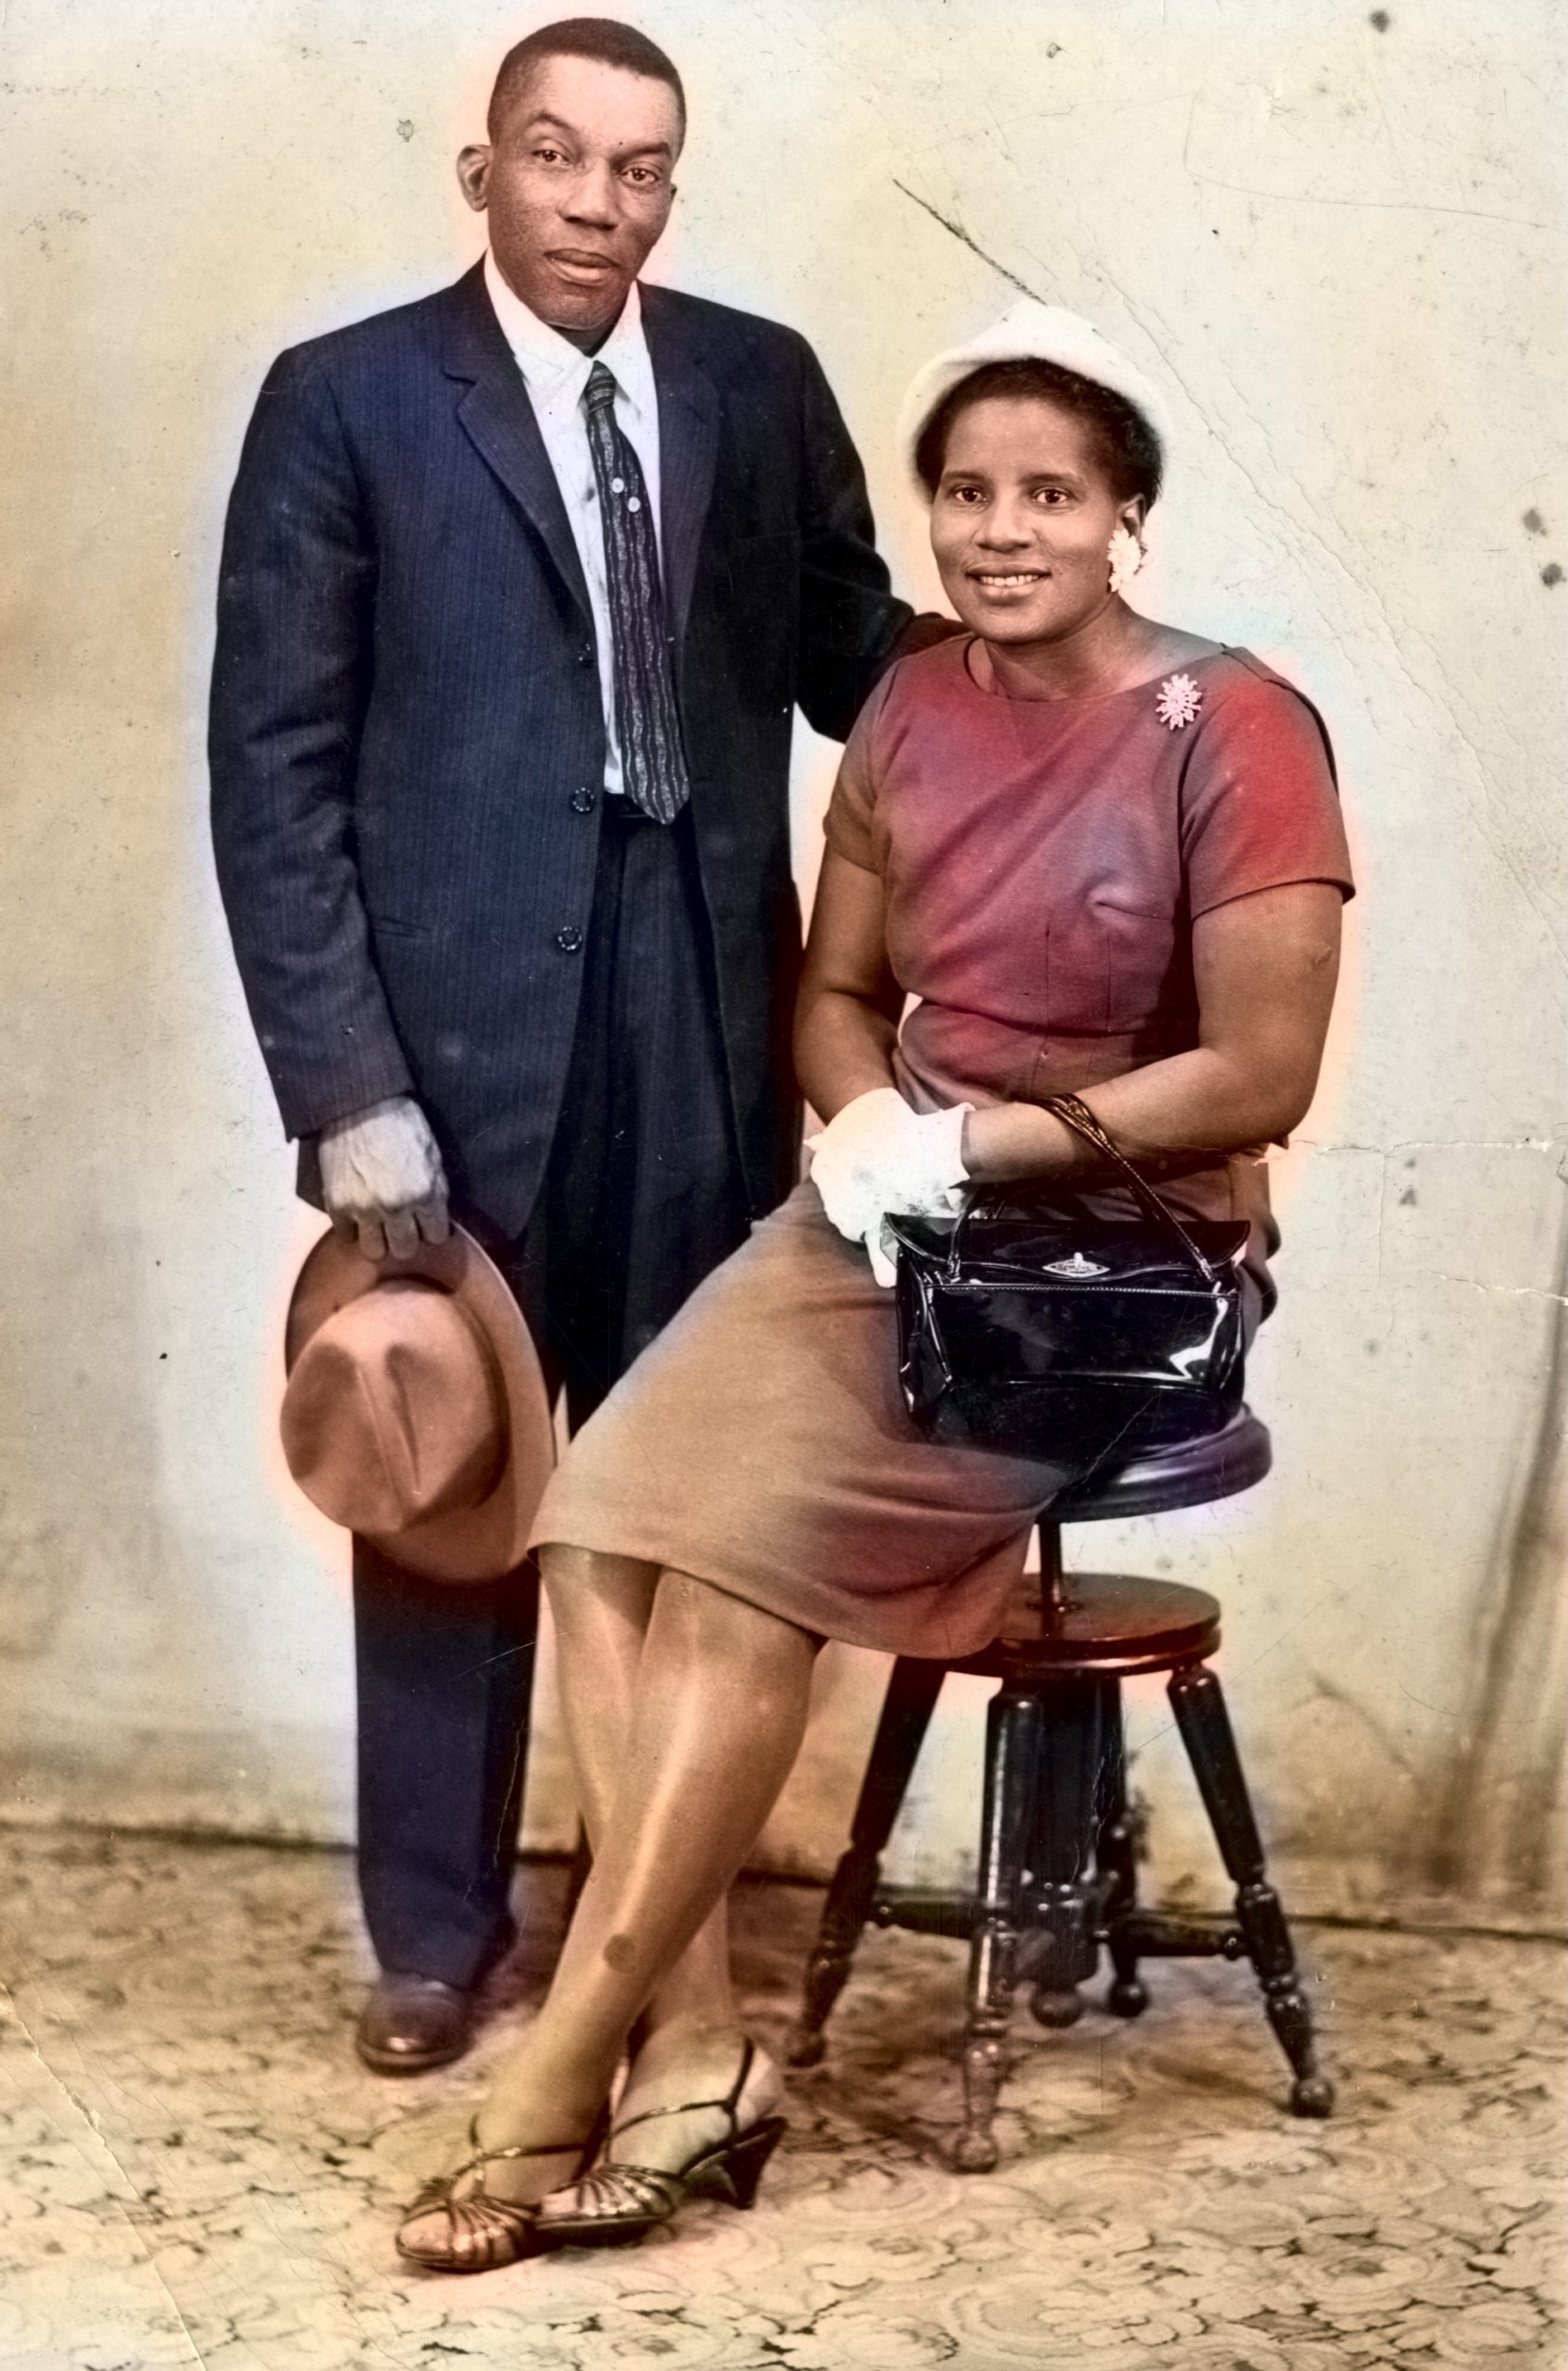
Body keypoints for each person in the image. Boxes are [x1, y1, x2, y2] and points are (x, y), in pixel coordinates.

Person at [392, 298, 1355, 2273]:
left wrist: (970, 1148)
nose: (1005, 529)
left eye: (1052, 494)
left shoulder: (1232, 723)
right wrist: (856, 1128)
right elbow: (836, 992)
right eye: (969, 492)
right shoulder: (910, 711)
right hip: (889, 1222)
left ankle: (566, 2059)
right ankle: (701, 2037)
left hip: (1104, 1259)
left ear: (1127, 516)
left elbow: (1258, 1072)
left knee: (735, 1561)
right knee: (590, 1524)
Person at [208, 17, 934, 2076]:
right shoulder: (346, 405)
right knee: (448, 1460)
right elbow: (271, 775)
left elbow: (848, 665)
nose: (598, 204)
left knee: (680, 1480)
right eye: (558, 158)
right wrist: (348, 1088)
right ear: (483, 174)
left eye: (639, 170)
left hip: (704, 1001)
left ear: (669, 193)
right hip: (454, 1043)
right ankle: (436, 1930)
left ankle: (648, 1924)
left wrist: (1022, 646)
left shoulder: (753, 383)